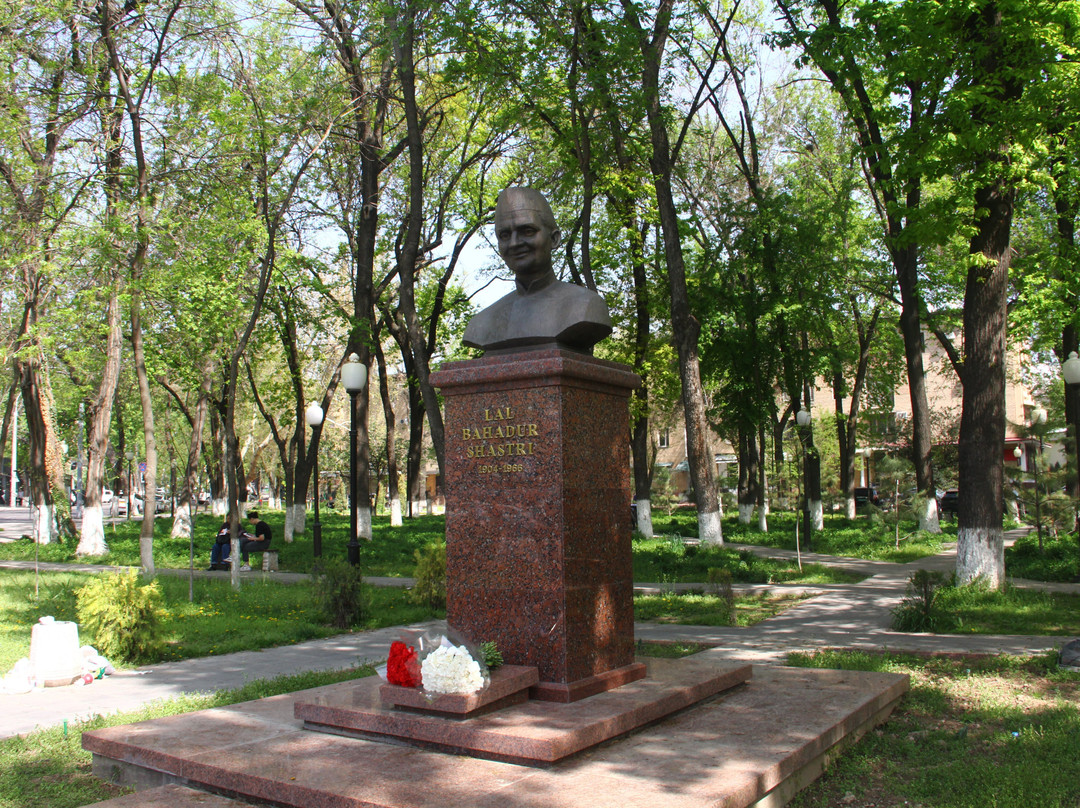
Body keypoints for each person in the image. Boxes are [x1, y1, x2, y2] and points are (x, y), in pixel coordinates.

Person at [462, 187, 612, 354]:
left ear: (554, 239)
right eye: (504, 235)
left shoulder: (586, 306)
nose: (514, 243)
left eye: (527, 231)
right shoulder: (482, 323)